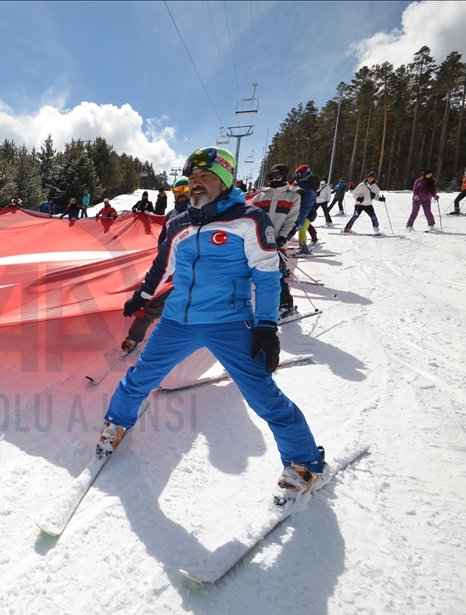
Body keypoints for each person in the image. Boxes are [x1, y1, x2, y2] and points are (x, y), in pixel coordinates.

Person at [99, 146, 324, 499]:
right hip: (177, 322)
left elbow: (266, 276)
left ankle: (303, 462)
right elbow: (163, 268)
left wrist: (267, 326)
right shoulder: (178, 222)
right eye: (193, 179)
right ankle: (117, 423)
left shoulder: (249, 219)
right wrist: (142, 297)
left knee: (263, 396)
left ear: (225, 180)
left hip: (229, 323)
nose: (197, 184)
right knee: (139, 378)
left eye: (206, 177)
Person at [120, 176, 190, 352]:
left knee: (188, 313)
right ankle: (134, 339)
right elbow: (162, 242)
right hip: (170, 273)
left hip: (193, 276)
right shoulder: (171, 216)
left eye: (185, 191)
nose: (181, 195)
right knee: (152, 306)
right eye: (178, 192)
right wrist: (163, 259)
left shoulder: (200, 214)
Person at [248, 164, 302, 318]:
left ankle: (286, 306)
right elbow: (249, 220)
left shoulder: (293, 197)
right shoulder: (259, 197)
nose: (273, 179)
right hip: (258, 244)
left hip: (278, 244)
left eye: (277, 176)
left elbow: (292, 221)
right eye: (270, 176)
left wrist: (282, 238)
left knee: (275, 276)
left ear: (284, 177)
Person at [290, 165, 318, 255]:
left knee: (300, 231)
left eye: (298, 176)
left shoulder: (303, 187)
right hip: (309, 214)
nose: (296, 179)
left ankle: (303, 248)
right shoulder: (311, 186)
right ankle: (303, 246)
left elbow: (290, 196)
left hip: (302, 215)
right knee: (302, 231)